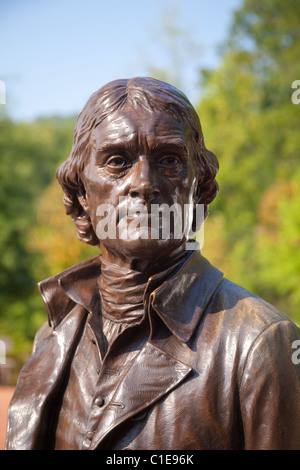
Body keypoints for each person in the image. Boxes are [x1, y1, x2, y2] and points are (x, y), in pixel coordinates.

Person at [5, 77, 300, 450]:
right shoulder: (53, 336)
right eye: (117, 161)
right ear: (80, 194)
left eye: (169, 160)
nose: (144, 183)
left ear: (200, 189)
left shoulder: (260, 344)